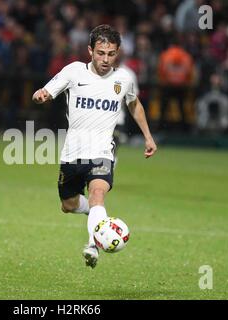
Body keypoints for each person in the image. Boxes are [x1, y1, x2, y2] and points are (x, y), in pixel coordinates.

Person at [32, 25, 157, 268]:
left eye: (111, 54)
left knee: (97, 193)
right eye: (100, 53)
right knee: (68, 205)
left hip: (102, 152)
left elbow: (134, 105)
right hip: (73, 153)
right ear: (90, 50)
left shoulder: (124, 78)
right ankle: (98, 216)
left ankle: (93, 244)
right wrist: (41, 95)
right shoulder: (74, 72)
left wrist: (148, 137)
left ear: (118, 52)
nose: (105, 59)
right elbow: (47, 90)